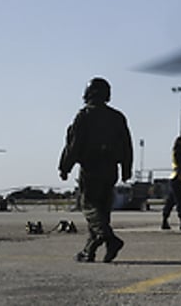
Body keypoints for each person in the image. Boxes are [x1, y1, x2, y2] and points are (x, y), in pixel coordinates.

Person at [59, 76, 134, 263]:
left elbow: (74, 145)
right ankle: (89, 250)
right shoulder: (117, 117)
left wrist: (65, 167)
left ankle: (110, 239)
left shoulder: (84, 116)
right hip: (111, 169)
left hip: (91, 168)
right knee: (102, 211)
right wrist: (126, 168)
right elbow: (127, 145)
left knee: (90, 207)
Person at [160, 135, 181, 231]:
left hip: (177, 179)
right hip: (177, 179)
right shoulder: (178, 154)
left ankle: (165, 220)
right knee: (180, 201)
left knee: (171, 202)